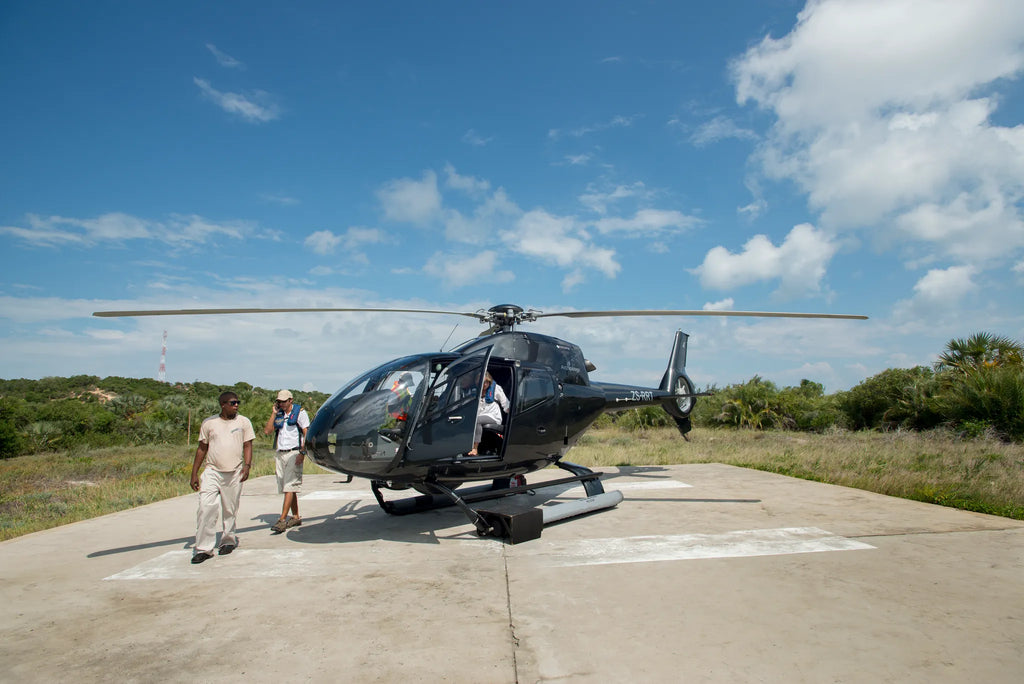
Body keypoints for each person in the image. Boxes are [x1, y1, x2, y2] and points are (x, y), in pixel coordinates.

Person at [189, 391, 255, 564]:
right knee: (205, 508)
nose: (236, 405)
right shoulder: (209, 423)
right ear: (223, 404)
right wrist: (194, 473)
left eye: (237, 402)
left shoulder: (243, 422)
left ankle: (228, 540)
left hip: (234, 472)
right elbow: (202, 448)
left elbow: (248, 445)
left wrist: (247, 466)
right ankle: (204, 548)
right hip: (212, 471)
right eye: (233, 403)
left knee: (230, 509)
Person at [263, 389, 310, 533]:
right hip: (280, 453)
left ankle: (282, 519)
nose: (282, 404)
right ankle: (295, 516)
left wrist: (302, 452)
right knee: (288, 487)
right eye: (279, 401)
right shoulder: (279, 415)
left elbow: (306, 433)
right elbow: (267, 431)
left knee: (289, 487)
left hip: (294, 453)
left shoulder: (300, 413)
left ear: (291, 400)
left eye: (284, 401)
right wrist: (273, 413)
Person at [468, 371, 509, 456]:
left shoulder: (496, 388)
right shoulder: (474, 391)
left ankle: (475, 449)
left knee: (477, 421)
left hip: (493, 416)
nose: (484, 384)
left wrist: (510, 412)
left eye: (486, 382)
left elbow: (505, 402)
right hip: (480, 416)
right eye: (482, 382)